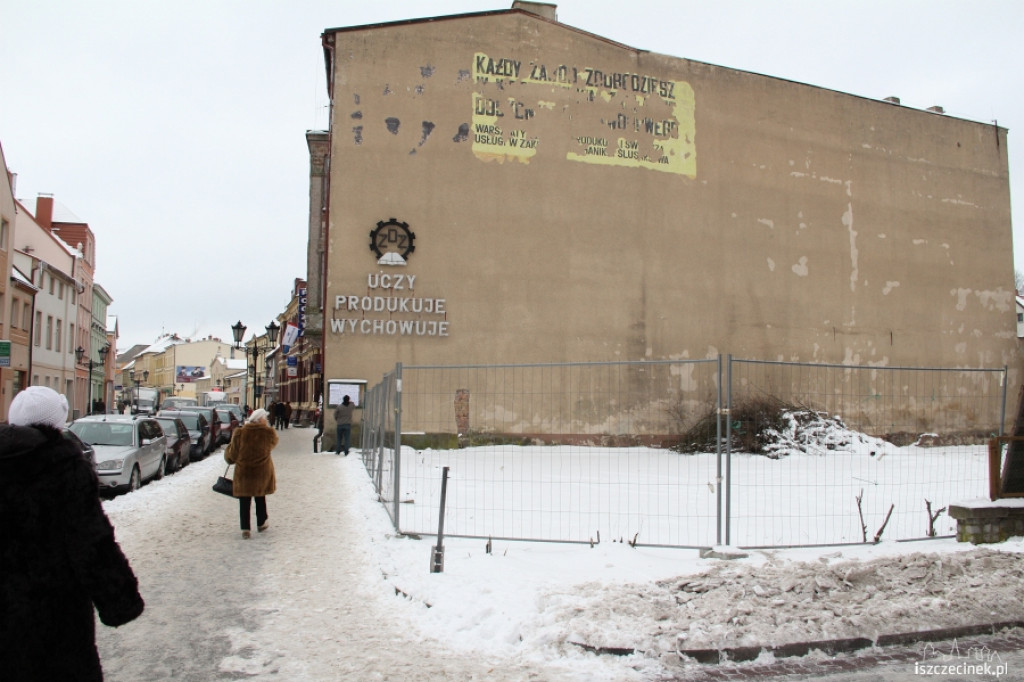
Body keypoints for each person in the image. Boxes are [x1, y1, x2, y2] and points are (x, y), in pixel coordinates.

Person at [0, 386, 144, 681]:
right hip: (55, 614)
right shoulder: (64, 469)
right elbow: (92, 543)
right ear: (58, 424)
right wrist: (119, 600)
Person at [224, 407, 278, 539]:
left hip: (244, 472)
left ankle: (245, 528)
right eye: (265, 418)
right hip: (261, 472)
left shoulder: (240, 433)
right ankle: (261, 522)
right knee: (260, 497)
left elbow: (233, 453)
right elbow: (273, 444)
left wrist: (229, 458)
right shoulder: (268, 434)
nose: (266, 421)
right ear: (259, 419)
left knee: (244, 500)